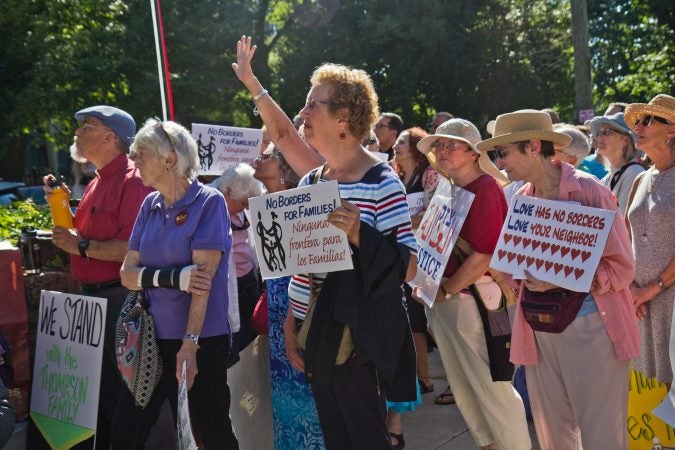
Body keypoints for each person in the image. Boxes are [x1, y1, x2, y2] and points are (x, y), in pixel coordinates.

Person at [232, 35, 418, 450]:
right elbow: (304, 264)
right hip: (315, 333)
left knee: (364, 437)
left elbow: (407, 266)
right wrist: (291, 322)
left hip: (357, 338)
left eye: (314, 103)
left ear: (343, 118)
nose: (304, 111)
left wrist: (359, 233)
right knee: (337, 437)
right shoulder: (316, 179)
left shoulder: (380, 180)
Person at [479, 109, 639, 450]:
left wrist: (563, 277)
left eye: (503, 152)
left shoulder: (589, 191)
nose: (500, 162)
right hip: (539, 329)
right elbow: (515, 271)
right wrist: (510, 269)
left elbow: (623, 268)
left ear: (534, 146)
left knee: (603, 437)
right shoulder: (521, 200)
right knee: (553, 437)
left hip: (593, 329)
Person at [114, 119, 238, 449]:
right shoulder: (149, 204)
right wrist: (172, 277)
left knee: (210, 433)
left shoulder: (209, 202)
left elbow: (201, 281)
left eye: (140, 153)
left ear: (169, 159)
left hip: (199, 341)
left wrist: (190, 344)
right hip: (151, 340)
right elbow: (127, 275)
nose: (134, 160)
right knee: (125, 431)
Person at [42, 105, 152, 450]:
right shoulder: (97, 181)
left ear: (110, 137)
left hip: (118, 299)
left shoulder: (133, 181)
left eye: (87, 126)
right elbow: (83, 238)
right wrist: (59, 205)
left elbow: (134, 248)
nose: (78, 132)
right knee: (100, 395)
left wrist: (83, 246)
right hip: (94, 301)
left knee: (123, 396)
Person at [416, 119, 529, 450]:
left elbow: (484, 254)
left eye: (452, 144)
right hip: (449, 299)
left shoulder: (485, 189)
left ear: (472, 152)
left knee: (493, 391)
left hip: (472, 300)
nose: (443, 150)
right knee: (465, 390)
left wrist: (447, 289)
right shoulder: (449, 189)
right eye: (439, 145)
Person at [250, 145, 325, 449]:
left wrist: (290, 326)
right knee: (285, 404)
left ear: (284, 169)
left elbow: (309, 275)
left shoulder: (299, 208)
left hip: (299, 320)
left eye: (267, 156)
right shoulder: (265, 205)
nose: (258, 159)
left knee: (307, 401)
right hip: (281, 317)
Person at [624, 94, 675, 386]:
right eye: (637, 121)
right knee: (649, 389)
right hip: (641, 303)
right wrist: (632, 288)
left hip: (670, 301)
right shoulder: (640, 179)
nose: (638, 126)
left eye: (648, 120)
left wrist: (653, 288)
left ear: (672, 130)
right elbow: (627, 238)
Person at [213, 163, 265, 353]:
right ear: (227, 190)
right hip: (225, 288)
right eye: (243, 202)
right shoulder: (208, 205)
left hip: (247, 282)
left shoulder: (240, 205)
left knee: (248, 343)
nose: (245, 207)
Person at [589, 112, 644, 214]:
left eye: (608, 131)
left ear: (625, 140)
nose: (600, 137)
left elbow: (623, 220)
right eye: (599, 132)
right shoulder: (609, 176)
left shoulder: (634, 173)